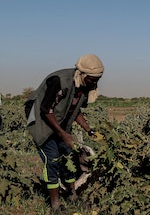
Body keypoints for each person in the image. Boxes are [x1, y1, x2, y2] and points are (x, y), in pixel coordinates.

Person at [24, 54, 104, 212]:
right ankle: (55, 204)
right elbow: (46, 110)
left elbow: (75, 110)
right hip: (41, 120)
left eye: (97, 80)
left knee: (69, 155)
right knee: (52, 159)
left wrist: (89, 130)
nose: (95, 83)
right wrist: (63, 134)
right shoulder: (59, 80)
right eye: (92, 79)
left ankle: (72, 196)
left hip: (58, 122)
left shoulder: (83, 86)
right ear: (83, 74)